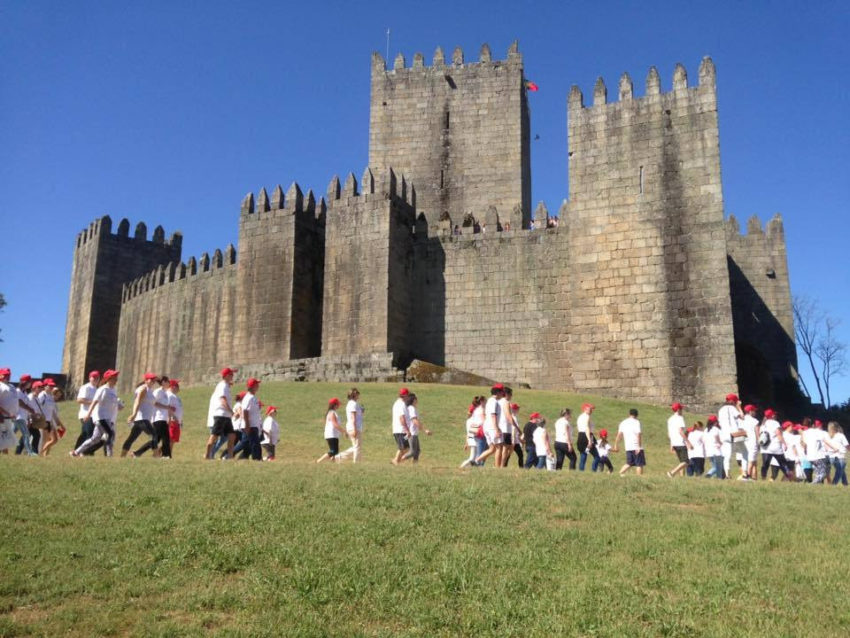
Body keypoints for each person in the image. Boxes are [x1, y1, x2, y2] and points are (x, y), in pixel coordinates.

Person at [72, 369, 122, 457]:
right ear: (108, 379)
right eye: (114, 377)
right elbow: (94, 402)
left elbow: (112, 403)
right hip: (101, 417)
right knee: (110, 434)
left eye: (116, 377)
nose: (116, 379)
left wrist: (119, 405)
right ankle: (110, 456)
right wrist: (88, 414)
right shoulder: (102, 389)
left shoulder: (113, 390)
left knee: (95, 439)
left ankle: (76, 452)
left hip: (109, 418)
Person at [121, 373, 158, 458]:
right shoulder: (143, 389)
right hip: (142, 418)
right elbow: (137, 401)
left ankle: (122, 456)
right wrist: (134, 414)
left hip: (143, 418)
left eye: (154, 380)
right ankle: (156, 455)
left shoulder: (149, 390)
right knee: (154, 435)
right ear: (146, 380)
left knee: (131, 438)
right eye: (151, 379)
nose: (153, 381)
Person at [205, 367, 237, 460]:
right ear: (226, 376)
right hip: (220, 415)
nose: (233, 376)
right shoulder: (222, 386)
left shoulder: (226, 386)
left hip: (226, 416)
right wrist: (232, 412)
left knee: (232, 435)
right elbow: (222, 400)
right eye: (231, 374)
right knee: (214, 436)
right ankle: (207, 455)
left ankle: (230, 456)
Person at [474, 384, 505, 466]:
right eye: (502, 392)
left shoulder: (489, 401)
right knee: (499, 447)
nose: (503, 394)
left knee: (492, 449)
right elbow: (493, 415)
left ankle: (476, 460)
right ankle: (497, 468)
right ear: (498, 392)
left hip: (487, 427)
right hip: (492, 427)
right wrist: (497, 429)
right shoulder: (494, 402)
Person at [760, 409, 792, 481]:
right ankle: (789, 477)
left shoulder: (763, 424)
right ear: (772, 415)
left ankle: (763, 478)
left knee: (765, 464)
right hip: (775, 447)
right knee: (783, 464)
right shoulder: (775, 423)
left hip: (765, 447)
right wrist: (784, 443)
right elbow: (778, 434)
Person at [718, 393, 744, 479]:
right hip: (733, 433)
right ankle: (744, 474)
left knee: (727, 456)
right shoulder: (732, 408)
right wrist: (739, 407)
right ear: (732, 401)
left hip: (723, 434)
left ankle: (727, 474)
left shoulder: (721, 410)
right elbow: (742, 417)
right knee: (743, 453)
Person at [801, 418, 835, 484]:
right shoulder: (816, 432)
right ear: (813, 425)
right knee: (824, 473)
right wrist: (834, 448)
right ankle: (812, 484)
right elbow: (825, 440)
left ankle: (818, 485)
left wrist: (805, 451)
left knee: (818, 472)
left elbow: (804, 444)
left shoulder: (805, 433)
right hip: (817, 456)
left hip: (810, 457)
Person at [74, 370, 100, 454]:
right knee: (89, 433)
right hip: (85, 414)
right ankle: (87, 452)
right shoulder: (86, 387)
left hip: (94, 415)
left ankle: (77, 451)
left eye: (97, 377)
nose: (95, 379)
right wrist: (93, 402)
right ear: (89, 378)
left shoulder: (97, 389)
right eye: (94, 377)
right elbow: (79, 400)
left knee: (86, 433)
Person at [37, 378, 64, 456]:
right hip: (42, 420)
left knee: (53, 439)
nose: (51, 387)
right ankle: (40, 454)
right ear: (45, 386)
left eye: (52, 386)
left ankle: (41, 454)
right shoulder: (42, 395)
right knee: (44, 439)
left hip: (49, 421)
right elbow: (38, 407)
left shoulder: (50, 397)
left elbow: (52, 412)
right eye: (50, 386)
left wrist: (58, 423)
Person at [614, 408, 644, 476]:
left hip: (628, 447)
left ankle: (619, 474)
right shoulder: (636, 422)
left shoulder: (623, 422)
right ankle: (639, 478)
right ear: (636, 415)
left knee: (629, 463)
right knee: (639, 464)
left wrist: (616, 444)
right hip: (636, 446)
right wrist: (639, 447)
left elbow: (619, 435)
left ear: (629, 414)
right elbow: (638, 434)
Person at [336, 388, 364, 463]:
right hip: (354, 427)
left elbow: (356, 415)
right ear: (353, 395)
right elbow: (353, 417)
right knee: (357, 447)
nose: (358, 395)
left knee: (356, 446)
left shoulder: (352, 403)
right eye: (357, 394)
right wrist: (355, 429)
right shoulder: (353, 404)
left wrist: (361, 411)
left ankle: (339, 457)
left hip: (352, 427)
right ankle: (356, 463)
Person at [402, 393, 431, 463]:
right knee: (412, 452)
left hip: (414, 433)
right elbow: (415, 421)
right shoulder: (411, 408)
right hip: (412, 433)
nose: (417, 400)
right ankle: (398, 461)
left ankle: (415, 466)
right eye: (416, 399)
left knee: (417, 451)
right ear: (413, 400)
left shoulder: (411, 408)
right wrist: (425, 430)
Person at [13, 374, 37, 456]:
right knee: (26, 434)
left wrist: (30, 415)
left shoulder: (25, 393)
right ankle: (30, 452)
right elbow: (19, 402)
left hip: (22, 417)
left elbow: (27, 404)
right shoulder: (17, 391)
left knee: (10, 434)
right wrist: (29, 409)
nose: (30, 384)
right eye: (29, 382)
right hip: (18, 417)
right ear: (24, 382)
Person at [666, 402, 690, 478]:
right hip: (680, 442)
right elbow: (680, 431)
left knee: (681, 462)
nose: (682, 410)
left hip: (674, 443)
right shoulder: (680, 418)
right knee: (686, 462)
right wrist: (687, 442)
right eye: (681, 409)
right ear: (678, 410)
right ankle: (672, 473)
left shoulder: (670, 419)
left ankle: (682, 477)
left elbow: (669, 433)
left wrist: (671, 444)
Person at [240, 378, 263, 461]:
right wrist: (247, 425)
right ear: (253, 386)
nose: (258, 386)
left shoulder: (253, 397)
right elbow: (245, 411)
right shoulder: (249, 398)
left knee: (248, 445)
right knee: (255, 445)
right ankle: (257, 460)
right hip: (250, 425)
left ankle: (242, 458)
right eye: (257, 384)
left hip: (254, 425)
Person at [391, 387, 412, 465]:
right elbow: (401, 418)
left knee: (406, 447)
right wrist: (407, 430)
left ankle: (396, 460)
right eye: (408, 395)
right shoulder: (401, 404)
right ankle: (396, 461)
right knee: (403, 447)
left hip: (400, 429)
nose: (409, 397)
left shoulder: (398, 403)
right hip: (400, 430)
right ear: (405, 395)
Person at [317, 398, 342, 463]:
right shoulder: (332, 413)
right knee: (334, 451)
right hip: (331, 434)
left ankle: (333, 462)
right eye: (338, 404)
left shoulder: (332, 413)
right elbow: (335, 424)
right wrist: (344, 431)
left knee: (335, 451)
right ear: (334, 405)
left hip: (334, 434)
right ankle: (319, 461)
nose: (339, 405)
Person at [576, 403, 598, 471]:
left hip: (580, 435)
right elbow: (587, 428)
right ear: (585, 409)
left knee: (583, 455)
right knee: (597, 456)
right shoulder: (587, 417)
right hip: (587, 435)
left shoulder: (580, 417)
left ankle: (581, 471)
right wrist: (589, 440)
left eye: (592, 409)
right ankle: (593, 470)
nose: (591, 410)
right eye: (590, 409)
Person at [741, 405, 760, 480]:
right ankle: (747, 476)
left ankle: (754, 477)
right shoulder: (754, 421)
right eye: (754, 411)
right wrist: (759, 442)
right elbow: (757, 433)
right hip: (752, 441)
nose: (755, 412)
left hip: (744, 441)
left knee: (750, 460)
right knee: (751, 460)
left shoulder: (742, 419)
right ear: (750, 411)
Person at [459, 401, 480, 469]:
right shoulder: (473, 420)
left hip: (471, 439)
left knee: (474, 457)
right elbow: (473, 431)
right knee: (472, 458)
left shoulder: (469, 420)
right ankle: (462, 466)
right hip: (474, 439)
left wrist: (466, 442)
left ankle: (468, 468)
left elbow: (468, 433)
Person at [827, 422, 848, 486]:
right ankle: (834, 484)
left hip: (831, 456)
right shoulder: (841, 435)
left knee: (841, 470)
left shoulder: (828, 435)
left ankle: (845, 483)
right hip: (840, 456)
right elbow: (846, 445)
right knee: (839, 471)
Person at [499, 387, 515, 467]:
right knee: (506, 448)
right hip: (505, 428)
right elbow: (508, 416)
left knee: (500, 448)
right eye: (511, 394)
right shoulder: (506, 402)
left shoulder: (498, 402)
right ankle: (502, 466)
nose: (511, 396)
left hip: (500, 427)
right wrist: (516, 427)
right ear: (507, 394)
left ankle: (498, 465)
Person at [166, 380, 183, 454]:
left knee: (173, 440)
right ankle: (167, 454)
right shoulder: (169, 395)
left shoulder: (176, 397)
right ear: (172, 387)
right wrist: (172, 417)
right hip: (172, 420)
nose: (179, 388)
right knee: (170, 439)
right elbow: (167, 407)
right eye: (177, 386)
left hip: (177, 421)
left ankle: (166, 454)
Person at [510, 403, 524, 467]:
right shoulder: (513, 418)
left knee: (520, 454)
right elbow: (513, 429)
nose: (518, 409)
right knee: (509, 454)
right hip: (514, 440)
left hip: (515, 439)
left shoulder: (514, 417)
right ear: (514, 410)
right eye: (517, 408)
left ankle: (521, 467)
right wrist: (513, 440)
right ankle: (503, 465)